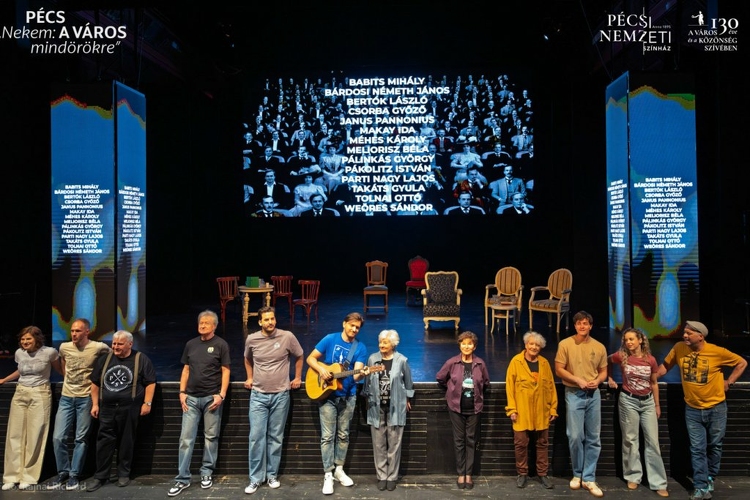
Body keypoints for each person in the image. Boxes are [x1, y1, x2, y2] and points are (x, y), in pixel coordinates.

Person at [656, 320, 747, 500]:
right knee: (697, 448)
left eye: (689, 333)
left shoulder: (717, 352)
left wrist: (730, 381)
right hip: (693, 408)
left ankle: (710, 476)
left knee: (715, 445)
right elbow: (665, 366)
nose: (685, 335)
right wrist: (651, 378)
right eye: (684, 332)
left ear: (700, 336)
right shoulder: (679, 348)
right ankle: (700, 486)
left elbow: (741, 362)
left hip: (716, 408)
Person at [167, 310, 231, 497]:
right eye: (200, 323)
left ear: (214, 326)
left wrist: (221, 395)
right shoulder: (191, 344)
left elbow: (226, 371)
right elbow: (186, 370)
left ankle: (206, 473)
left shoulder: (221, 344)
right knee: (185, 439)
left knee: (211, 437)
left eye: (206, 323)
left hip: (212, 399)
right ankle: (182, 478)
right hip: (191, 399)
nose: (202, 325)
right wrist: (182, 392)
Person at [306, 312, 370, 495]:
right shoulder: (330, 339)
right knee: (327, 437)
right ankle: (328, 474)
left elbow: (356, 376)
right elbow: (311, 359)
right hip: (327, 396)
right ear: (344, 324)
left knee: (343, 435)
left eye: (357, 327)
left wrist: (362, 374)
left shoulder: (360, 348)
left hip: (348, 397)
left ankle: (339, 470)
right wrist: (321, 370)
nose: (354, 329)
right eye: (352, 325)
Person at [243, 307, 304, 495]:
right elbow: (247, 359)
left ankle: (272, 475)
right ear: (260, 322)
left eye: (272, 319)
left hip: (281, 395)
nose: (270, 322)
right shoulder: (252, 339)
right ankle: (255, 479)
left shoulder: (287, 337)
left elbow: (300, 355)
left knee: (275, 437)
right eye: (266, 319)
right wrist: (250, 377)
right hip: (258, 396)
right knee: (256, 438)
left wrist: (297, 377)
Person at [85, 331, 157, 491]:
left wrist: (147, 403)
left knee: (126, 441)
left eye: (119, 344)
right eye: (114, 343)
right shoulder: (104, 359)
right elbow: (95, 383)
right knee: (104, 442)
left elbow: (150, 382)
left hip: (129, 409)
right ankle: (100, 476)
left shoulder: (141, 359)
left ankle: (123, 474)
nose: (115, 347)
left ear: (130, 344)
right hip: (107, 409)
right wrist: (95, 404)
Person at [49, 318, 110, 490]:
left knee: (80, 438)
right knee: (58, 437)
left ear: (86, 332)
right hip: (67, 397)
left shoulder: (98, 347)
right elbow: (63, 367)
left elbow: (113, 356)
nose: (74, 334)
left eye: (77, 331)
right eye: (72, 331)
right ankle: (63, 471)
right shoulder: (64, 347)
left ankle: (74, 474)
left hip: (85, 397)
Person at [606, 328, 668, 497]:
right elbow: (607, 360)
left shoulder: (651, 360)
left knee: (653, 442)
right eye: (626, 340)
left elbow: (654, 383)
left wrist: (657, 405)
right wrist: (610, 377)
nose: (629, 342)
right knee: (630, 440)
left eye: (632, 339)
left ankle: (658, 482)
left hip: (647, 402)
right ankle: (633, 476)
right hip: (628, 401)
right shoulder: (622, 356)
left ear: (640, 340)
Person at [0, 326, 61, 491]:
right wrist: (5, 379)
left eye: (28, 339)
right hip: (20, 392)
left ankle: (28, 476)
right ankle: (11, 476)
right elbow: (20, 371)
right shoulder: (19, 353)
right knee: (14, 435)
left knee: (35, 435)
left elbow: (60, 370)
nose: (25, 342)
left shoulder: (49, 352)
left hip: (40, 393)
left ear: (37, 339)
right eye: (22, 339)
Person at [555, 310, 607, 498]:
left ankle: (589, 477)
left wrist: (598, 381)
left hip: (593, 394)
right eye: (579, 323)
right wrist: (577, 380)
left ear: (590, 326)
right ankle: (577, 474)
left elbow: (603, 371)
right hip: (574, 393)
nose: (582, 326)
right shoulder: (565, 344)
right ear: (575, 325)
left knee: (594, 437)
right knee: (575, 435)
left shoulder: (599, 347)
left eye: (585, 323)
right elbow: (559, 369)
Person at [436, 331, 490, 490]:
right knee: (459, 441)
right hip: (456, 408)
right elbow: (440, 378)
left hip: (474, 408)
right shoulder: (452, 362)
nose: (466, 346)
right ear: (460, 345)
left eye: (470, 344)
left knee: (471, 440)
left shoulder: (480, 364)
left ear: (474, 346)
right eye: (463, 343)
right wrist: (451, 389)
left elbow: (485, 383)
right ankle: (461, 473)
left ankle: (469, 474)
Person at [362, 330, 414, 492]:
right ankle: (381, 476)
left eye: (385, 342)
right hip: (376, 407)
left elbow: (408, 382)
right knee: (378, 444)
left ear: (393, 344)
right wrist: (366, 398)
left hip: (395, 407)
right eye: (380, 342)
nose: (382, 345)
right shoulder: (373, 359)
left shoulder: (402, 360)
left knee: (394, 444)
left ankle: (392, 477)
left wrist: (407, 398)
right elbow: (367, 382)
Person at [505, 331, 557, 490]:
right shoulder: (516, 362)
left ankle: (542, 474)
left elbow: (551, 387)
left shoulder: (544, 363)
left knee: (542, 443)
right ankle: (522, 473)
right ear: (526, 345)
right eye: (531, 344)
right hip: (521, 411)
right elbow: (510, 388)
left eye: (537, 345)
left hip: (541, 411)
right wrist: (512, 409)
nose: (534, 347)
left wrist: (553, 408)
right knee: (521, 443)